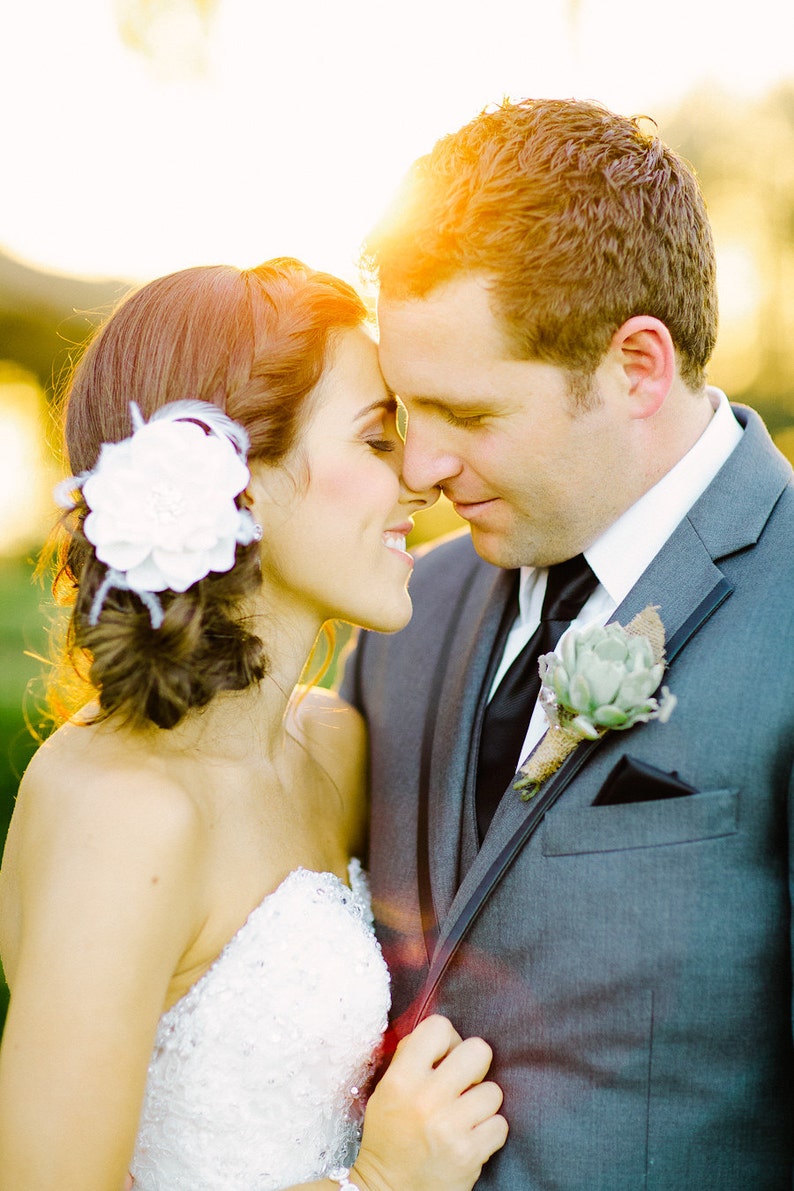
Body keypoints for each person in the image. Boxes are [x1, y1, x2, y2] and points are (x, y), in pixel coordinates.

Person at [340, 99, 794, 1187]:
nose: (420, 470)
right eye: (408, 413)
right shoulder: (405, 615)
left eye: (472, 415)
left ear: (636, 366)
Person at [0, 259, 508, 1191]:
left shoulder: (339, 747)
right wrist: (380, 1185)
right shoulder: (119, 811)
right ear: (238, 481)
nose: (422, 477)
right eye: (377, 435)